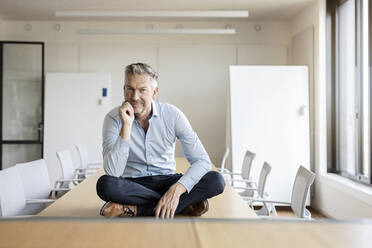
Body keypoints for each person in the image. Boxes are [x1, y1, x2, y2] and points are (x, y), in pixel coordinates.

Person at [96, 62, 225, 218]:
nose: (135, 97)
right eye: (130, 89)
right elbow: (113, 172)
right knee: (105, 185)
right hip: (133, 184)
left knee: (215, 180)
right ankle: (184, 205)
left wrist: (177, 190)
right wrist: (126, 126)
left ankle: (136, 209)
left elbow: (202, 161)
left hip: (167, 180)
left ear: (154, 92)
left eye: (142, 90)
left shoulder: (173, 115)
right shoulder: (113, 119)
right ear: (124, 89)